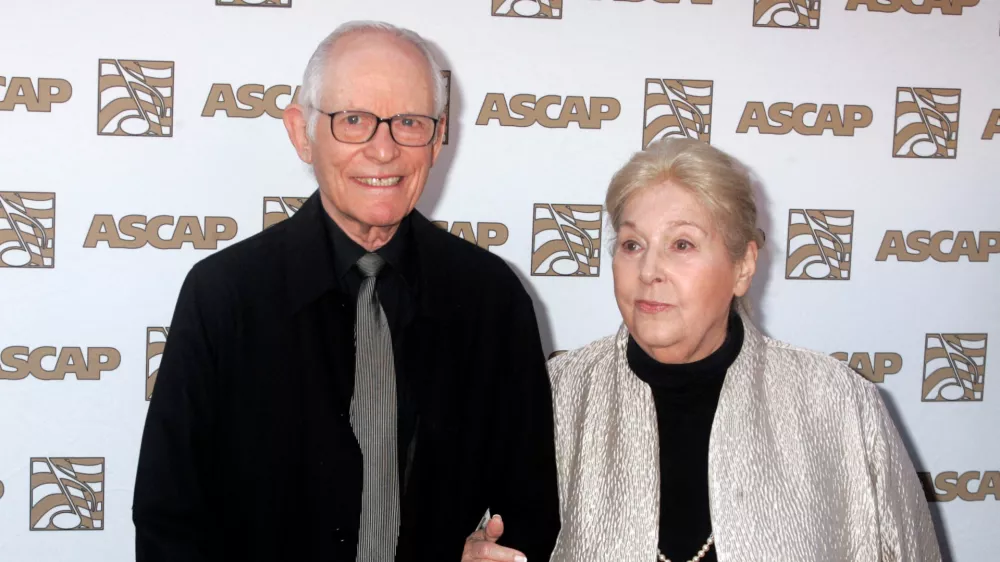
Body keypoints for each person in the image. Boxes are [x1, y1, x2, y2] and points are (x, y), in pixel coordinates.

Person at [132, 21, 560, 562]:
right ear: (300, 132)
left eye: (408, 122)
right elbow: (168, 515)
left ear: (436, 137)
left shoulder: (492, 301)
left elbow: (529, 505)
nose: (383, 150)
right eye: (353, 120)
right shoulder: (225, 296)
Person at [542, 138, 941, 561]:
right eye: (632, 245)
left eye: (682, 245)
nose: (649, 271)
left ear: (743, 266)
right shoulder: (556, 397)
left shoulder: (836, 403)